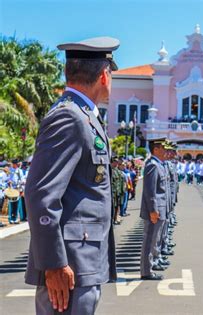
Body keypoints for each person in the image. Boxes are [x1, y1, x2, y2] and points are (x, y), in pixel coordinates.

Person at [24, 37, 119, 314]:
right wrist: (53, 263)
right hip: (68, 265)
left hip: (80, 260)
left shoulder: (83, 115)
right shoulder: (70, 117)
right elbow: (41, 194)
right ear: (104, 75)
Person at [140, 138, 169, 280]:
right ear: (156, 149)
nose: (166, 151)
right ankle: (146, 271)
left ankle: (148, 269)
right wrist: (152, 210)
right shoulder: (152, 165)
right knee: (149, 240)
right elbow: (150, 191)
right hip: (155, 211)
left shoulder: (159, 165)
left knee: (153, 240)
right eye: (163, 148)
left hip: (160, 209)